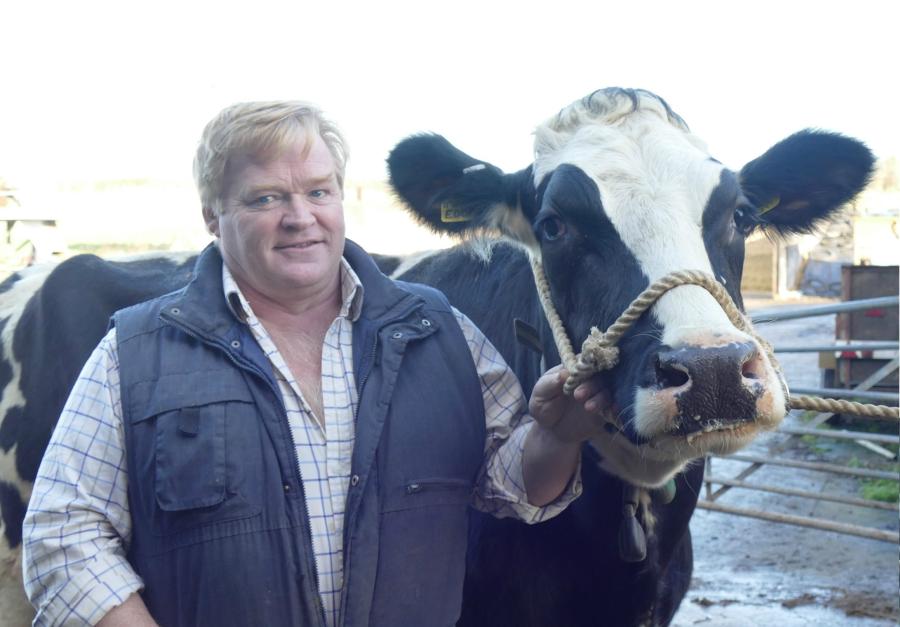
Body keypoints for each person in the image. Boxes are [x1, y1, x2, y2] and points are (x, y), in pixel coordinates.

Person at [22, 101, 610, 627]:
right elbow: (62, 536)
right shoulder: (137, 351)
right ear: (211, 215)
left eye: (318, 191)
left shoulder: (439, 331)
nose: (300, 216)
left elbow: (514, 488)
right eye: (265, 198)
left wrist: (555, 438)